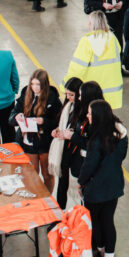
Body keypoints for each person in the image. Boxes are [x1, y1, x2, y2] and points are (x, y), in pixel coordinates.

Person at [78, 99, 128, 257]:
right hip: (114, 185)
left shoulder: (96, 140)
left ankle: (100, 251)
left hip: (96, 189)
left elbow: (89, 166)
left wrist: (81, 182)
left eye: (90, 113)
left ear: (98, 116)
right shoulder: (120, 134)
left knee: (95, 221)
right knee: (108, 220)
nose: (87, 116)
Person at [9, 68, 62, 191]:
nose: (34, 87)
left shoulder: (52, 98)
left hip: (44, 142)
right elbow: (12, 117)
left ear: (44, 85)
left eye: (38, 84)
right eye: (32, 84)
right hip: (29, 141)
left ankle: (48, 198)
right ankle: (37, 198)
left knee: (47, 174)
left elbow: (59, 122)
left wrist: (44, 121)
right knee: (33, 174)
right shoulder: (25, 94)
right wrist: (16, 117)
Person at [63, 11, 123, 109]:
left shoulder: (87, 41)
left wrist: (66, 86)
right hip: (112, 92)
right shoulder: (113, 39)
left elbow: (77, 67)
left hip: (92, 92)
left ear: (91, 24)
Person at [50, 76, 83, 209]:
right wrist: (57, 131)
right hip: (65, 149)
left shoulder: (83, 111)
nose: (68, 97)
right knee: (62, 182)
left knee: (75, 184)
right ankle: (61, 209)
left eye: (71, 95)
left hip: (76, 153)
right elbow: (63, 124)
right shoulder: (68, 106)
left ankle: (77, 212)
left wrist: (69, 135)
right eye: (67, 94)